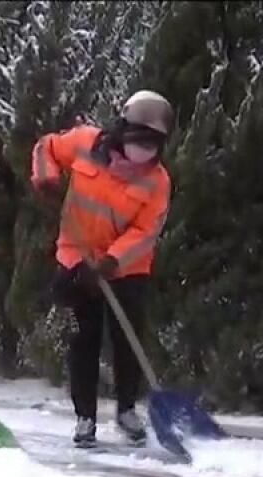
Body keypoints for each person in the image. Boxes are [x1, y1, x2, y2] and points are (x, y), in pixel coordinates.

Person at [31, 90, 174, 448]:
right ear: (122, 130)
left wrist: (111, 261)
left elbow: (146, 231)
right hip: (76, 257)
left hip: (125, 267)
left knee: (128, 340)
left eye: (153, 145)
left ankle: (127, 410)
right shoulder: (84, 143)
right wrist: (46, 178)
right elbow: (45, 147)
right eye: (139, 140)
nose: (144, 151)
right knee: (84, 340)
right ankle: (85, 417)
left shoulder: (157, 181)